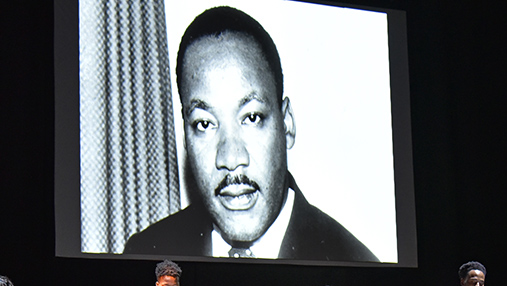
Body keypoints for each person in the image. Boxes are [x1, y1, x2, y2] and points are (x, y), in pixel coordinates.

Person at [123, 6, 377, 263]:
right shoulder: (145, 254)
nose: (230, 158)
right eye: (204, 124)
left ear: (286, 124)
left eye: (251, 118)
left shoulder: (356, 267)